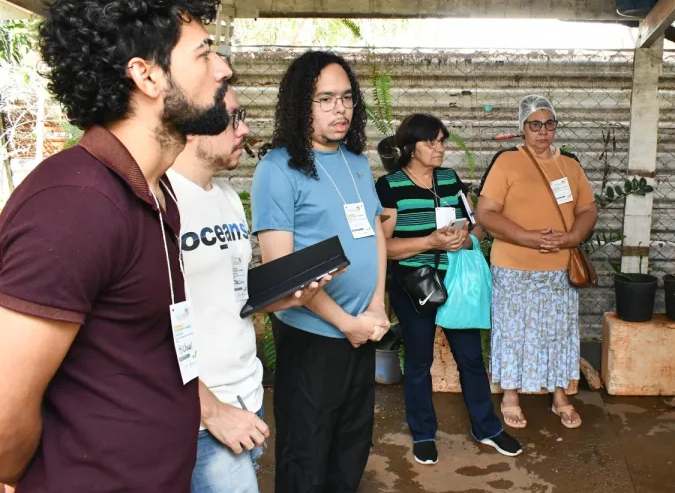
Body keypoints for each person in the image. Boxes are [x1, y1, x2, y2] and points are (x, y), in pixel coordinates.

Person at [0, 0, 232, 491]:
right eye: (204, 54)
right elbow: (4, 412)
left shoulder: (155, 189)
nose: (223, 70)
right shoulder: (75, 206)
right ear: (146, 75)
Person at [167, 86, 332, 493]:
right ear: (192, 126)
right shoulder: (160, 200)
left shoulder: (225, 197)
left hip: (247, 396)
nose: (246, 130)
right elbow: (143, 324)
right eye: (234, 118)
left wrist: (289, 297)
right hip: (203, 411)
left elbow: (234, 299)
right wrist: (210, 410)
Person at [251, 50, 390, 493]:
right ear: (300, 105)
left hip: (362, 329)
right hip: (313, 337)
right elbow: (282, 270)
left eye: (347, 98)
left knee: (351, 447)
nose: (340, 109)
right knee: (306, 454)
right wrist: (346, 323)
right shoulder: (277, 169)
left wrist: (376, 305)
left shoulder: (355, 162)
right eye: (325, 98)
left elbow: (374, 232)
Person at [376, 113, 522, 465]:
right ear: (410, 147)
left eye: (442, 141)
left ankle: (486, 427)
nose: (440, 148)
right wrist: (430, 241)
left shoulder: (449, 178)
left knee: (471, 358)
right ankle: (423, 433)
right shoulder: (390, 186)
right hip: (414, 285)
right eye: (431, 142)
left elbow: (476, 225)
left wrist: (465, 239)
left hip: (457, 281)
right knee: (418, 360)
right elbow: (383, 247)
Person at [475, 95, 598, 430]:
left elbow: (588, 209)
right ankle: (511, 396)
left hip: (559, 269)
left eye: (549, 123)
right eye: (535, 124)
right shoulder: (507, 162)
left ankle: (560, 396)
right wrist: (526, 237)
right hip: (513, 266)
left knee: (558, 332)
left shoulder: (569, 165)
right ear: (522, 128)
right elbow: (485, 213)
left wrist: (573, 237)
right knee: (513, 333)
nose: (543, 131)